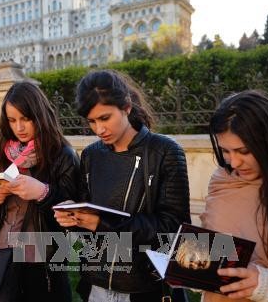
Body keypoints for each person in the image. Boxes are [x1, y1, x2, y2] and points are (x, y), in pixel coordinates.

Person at [54, 70, 191, 302]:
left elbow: (173, 230)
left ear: (126, 107)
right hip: (95, 285)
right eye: (92, 121)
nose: (99, 129)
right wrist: (74, 217)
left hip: (143, 286)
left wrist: (102, 223)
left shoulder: (165, 152)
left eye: (105, 118)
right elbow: (87, 231)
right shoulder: (90, 155)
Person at [200, 90, 268, 302]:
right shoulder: (222, 180)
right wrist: (191, 269)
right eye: (226, 151)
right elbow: (214, 247)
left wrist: (265, 285)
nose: (234, 163)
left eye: (244, 151)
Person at [0, 81, 80, 302]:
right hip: (2, 251)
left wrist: (43, 192)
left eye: (25, 119)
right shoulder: (3, 153)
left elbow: (73, 213)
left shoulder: (62, 155)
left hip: (42, 257)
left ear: (40, 115)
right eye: (12, 120)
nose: (19, 127)